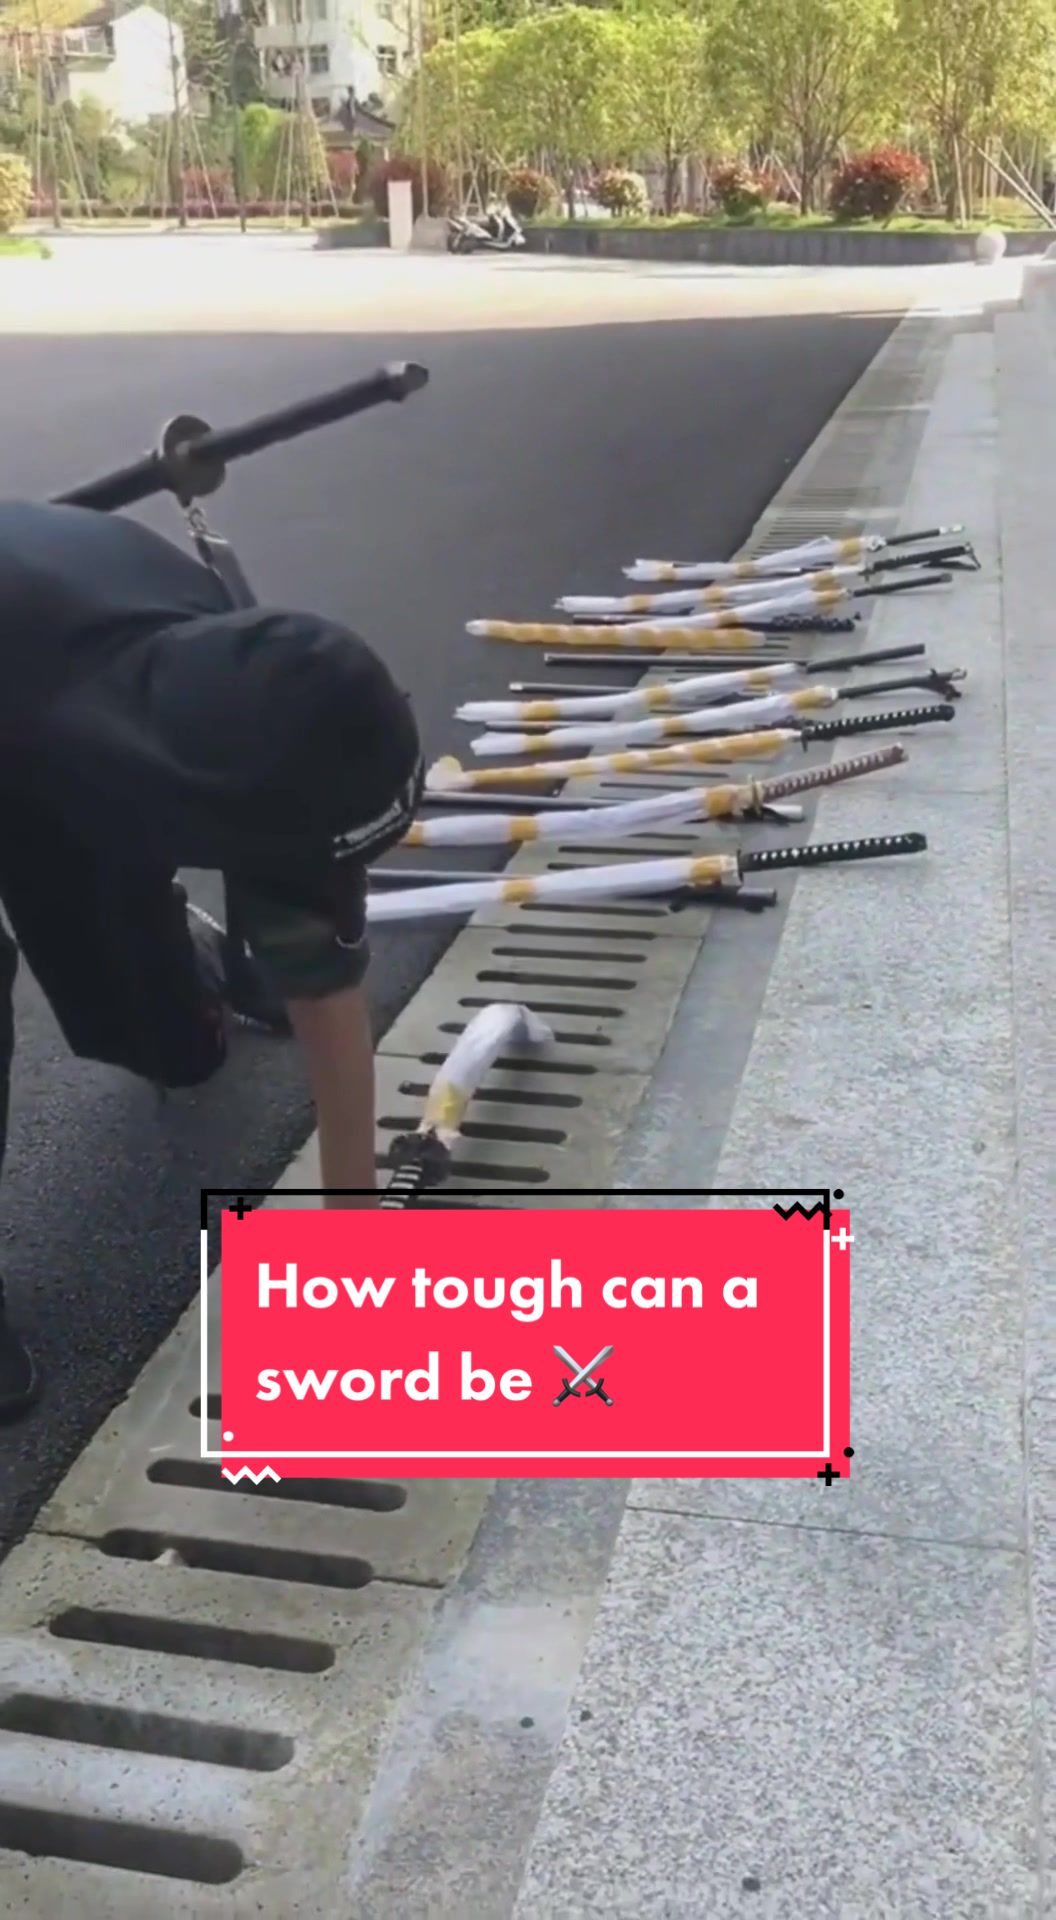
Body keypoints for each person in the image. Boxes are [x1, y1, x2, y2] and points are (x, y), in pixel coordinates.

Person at [0, 499, 423, 1421]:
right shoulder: (60, 719)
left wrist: (354, 1256)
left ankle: (183, 952)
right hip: (26, 704)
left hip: (77, 712)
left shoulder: (277, 678)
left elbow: (326, 975)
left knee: (170, 1048)